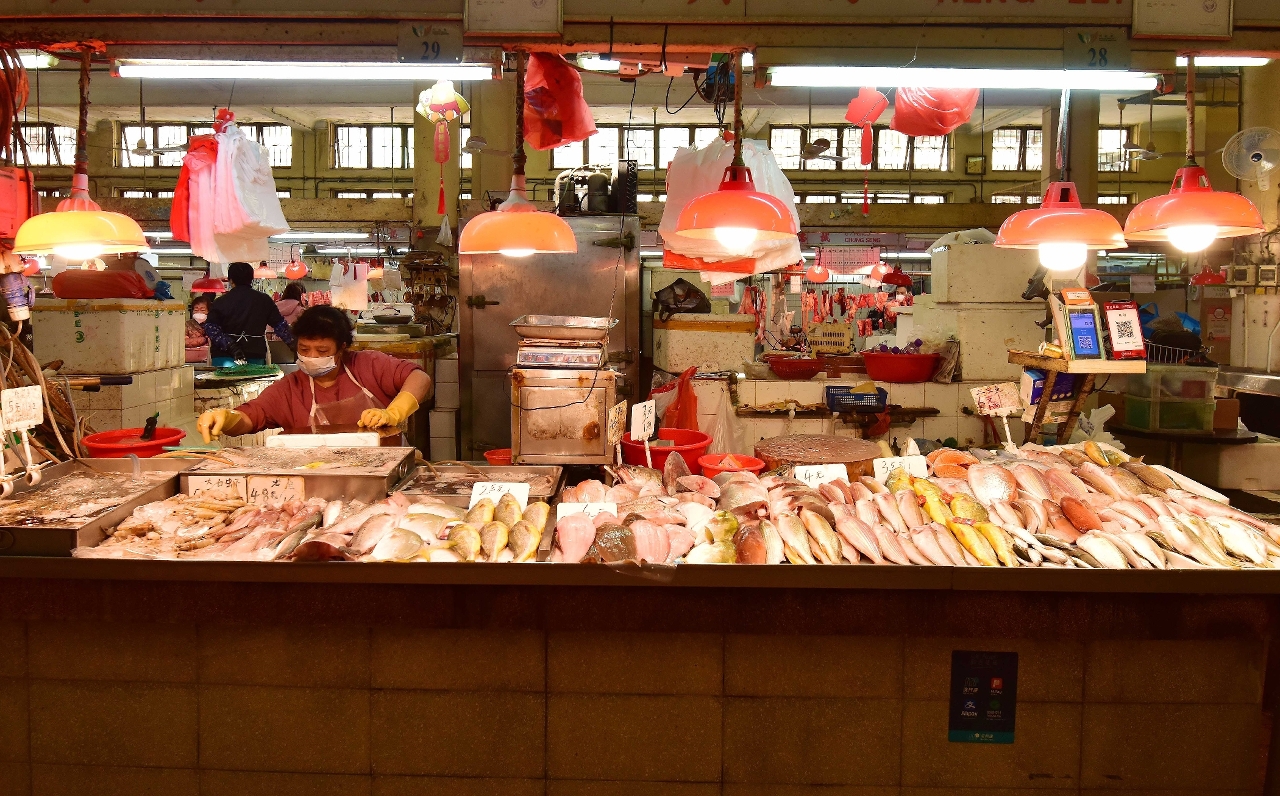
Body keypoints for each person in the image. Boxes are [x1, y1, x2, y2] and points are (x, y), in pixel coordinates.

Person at [197, 305, 432, 442]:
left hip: (384, 471)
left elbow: (419, 377)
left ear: (342, 347)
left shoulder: (367, 364)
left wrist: (394, 412)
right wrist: (226, 417)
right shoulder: (290, 389)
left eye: (322, 351)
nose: (312, 356)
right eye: (304, 349)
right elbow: (250, 417)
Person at [203, 262, 295, 366]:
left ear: (231, 280)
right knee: (255, 377)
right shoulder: (264, 300)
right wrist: (294, 344)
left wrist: (230, 345)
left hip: (223, 358)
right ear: (251, 279)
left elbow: (211, 328)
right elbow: (280, 326)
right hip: (254, 357)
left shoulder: (220, 302)